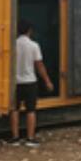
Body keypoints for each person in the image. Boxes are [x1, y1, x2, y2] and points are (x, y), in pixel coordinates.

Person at [11, 19, 54, 147]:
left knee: (14, 109)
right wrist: (47, 81)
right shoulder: (34, 45)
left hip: (15, 82)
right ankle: (30, 138)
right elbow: (39, 65)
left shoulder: (12, 45)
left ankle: (15, 138)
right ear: (30, 30)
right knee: (30, 110)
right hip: (30, 81)